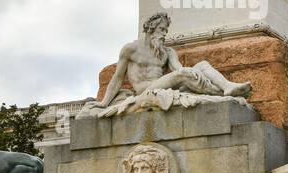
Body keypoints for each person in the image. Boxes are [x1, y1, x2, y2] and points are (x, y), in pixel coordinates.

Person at [92, 12, 251, 108]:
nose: (164, 34)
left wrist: (194, 72)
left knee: (202, 65)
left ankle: (228, 87)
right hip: (146, 90)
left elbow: (178, 69)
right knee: (185, 74)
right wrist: (104, 102)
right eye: (161, 29)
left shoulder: (167, 51)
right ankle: (223, 95)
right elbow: (117, 78)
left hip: (165, 87)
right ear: (150, 29)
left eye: (166, 30)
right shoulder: (131, 49)